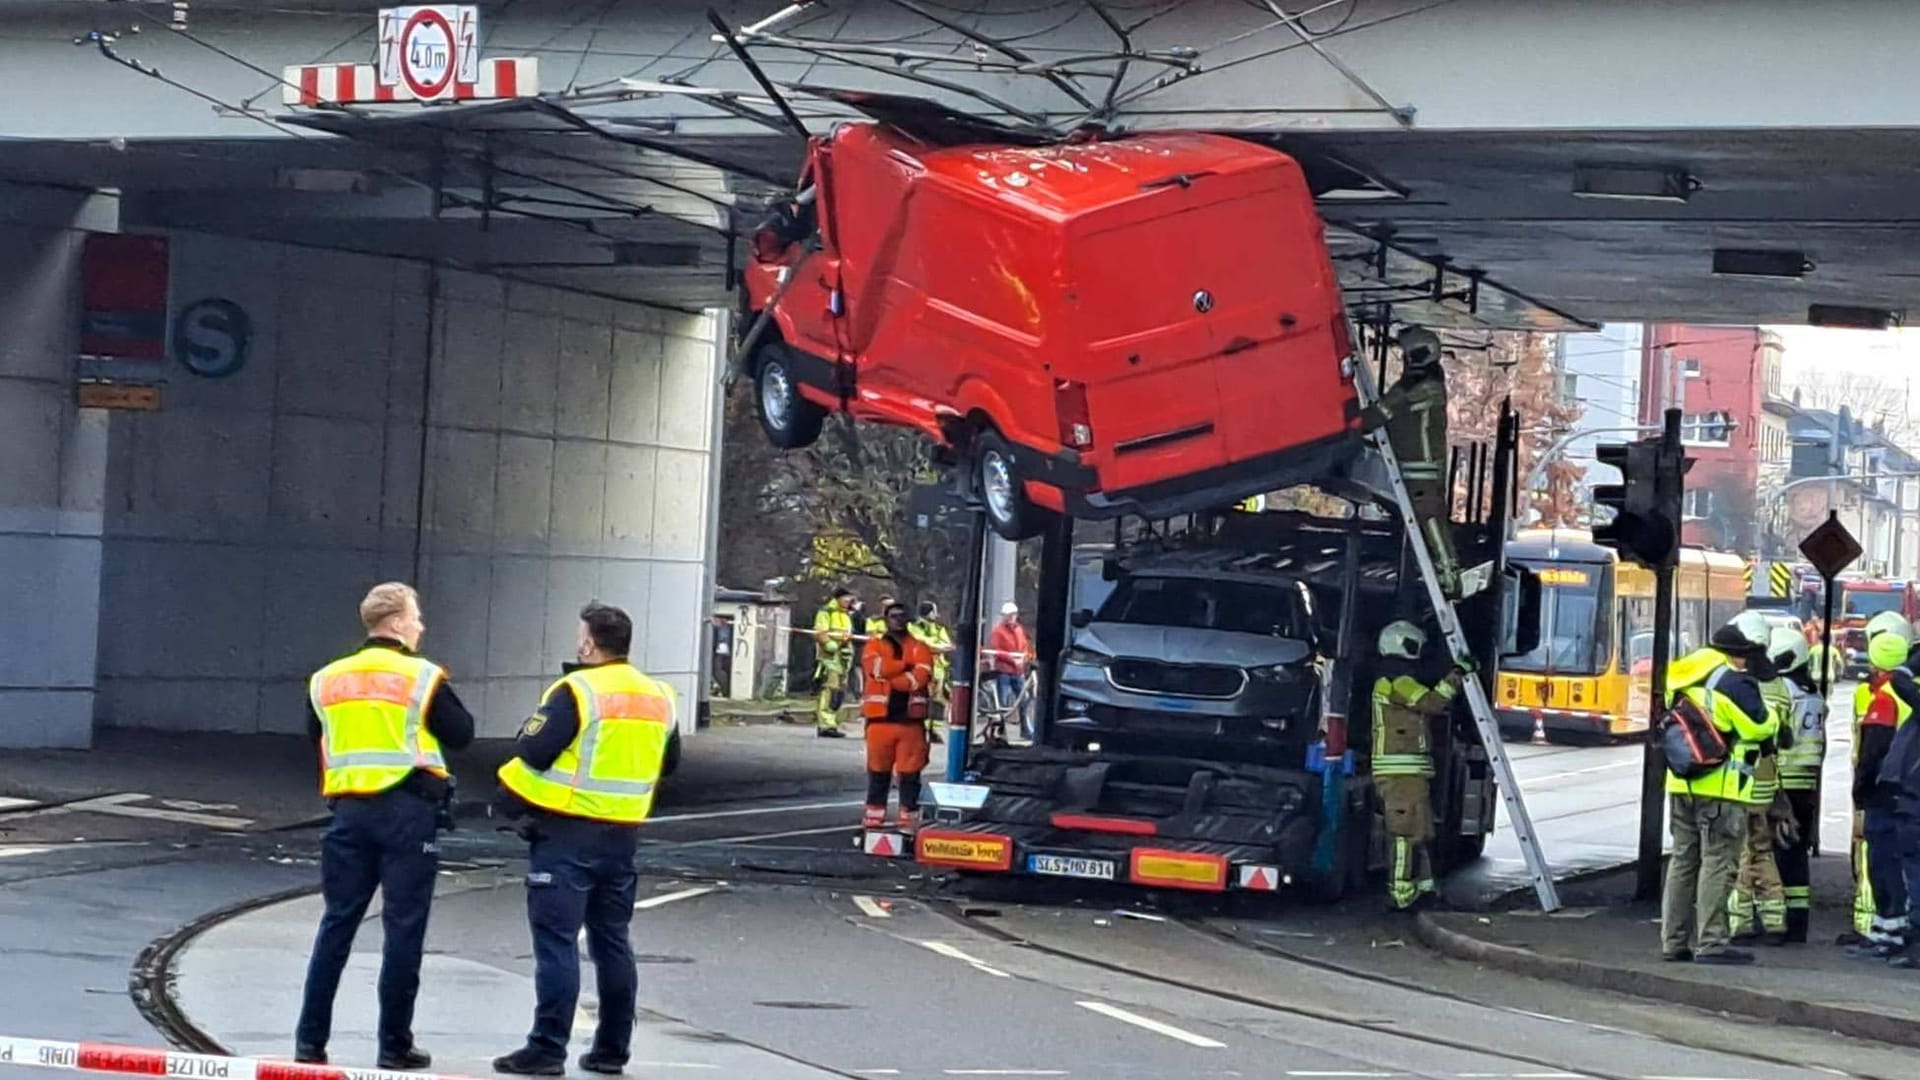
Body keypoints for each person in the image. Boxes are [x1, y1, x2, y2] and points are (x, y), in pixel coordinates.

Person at [492, 604, 677, 1076]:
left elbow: (532, 750)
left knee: (556, 942)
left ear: (589, 644)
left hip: (567, 834)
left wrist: (510, 801)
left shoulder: (577, 690)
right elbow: (669, 762)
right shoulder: (659, 696)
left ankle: (547, 1048)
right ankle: (612, 1050)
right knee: (612, 941)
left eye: (581, 636)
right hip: (623, 837)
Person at [296, 582, 474, 1070]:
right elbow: (462, 733)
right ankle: (394, 1046)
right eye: (416, 617)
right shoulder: (420, 676)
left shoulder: (327, 679)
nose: (421, 626)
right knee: (403, 930)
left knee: (336, 924)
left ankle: (309, 1043)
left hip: (349, 813)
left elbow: (318, 735)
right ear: (395, 623)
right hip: (407, 812)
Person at [1661, 611, 1776, 965]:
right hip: (1723, 789)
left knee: (1682, 861)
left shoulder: (1681, 675)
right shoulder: (1733, 682)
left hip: (1682, 782)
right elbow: (1760, 728)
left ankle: (1673, 941)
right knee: (1717, 863)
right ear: (1740, 653)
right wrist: (1772, 714)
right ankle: (1711, 942)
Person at [1371, 619, 1465, 913]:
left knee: (1419, 832)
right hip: (1399, 772)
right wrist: (1456, 675)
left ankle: (1425, 888)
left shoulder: (1396, 679)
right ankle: (1401, 895)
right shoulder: (1396, 681)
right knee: (1403, 834)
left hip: (1410, 771)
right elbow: (1433, 703)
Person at [1359, 327, 1459, 597]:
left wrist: (1349, 422)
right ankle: (1444, 574)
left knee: (1430, 523)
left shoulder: (1419, 387)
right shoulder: (1428, 383)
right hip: (1420, 470)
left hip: (1420, 474)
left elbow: (1376, 416)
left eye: (1406, 354)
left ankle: (1449, 578)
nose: (1404, 359)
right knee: (1427, 523)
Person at [1843, 613, 1913, 945]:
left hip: (1885, 791)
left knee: (1883, 861)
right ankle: (1894, 930)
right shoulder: (1911, 693)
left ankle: (1891, 931)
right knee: (1902, 861)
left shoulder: (1884, 697)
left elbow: (1872, 752)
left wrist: (1860, 792)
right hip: (1908, 790)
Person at [1730, 629, 1798, 946]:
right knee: (1762, 853)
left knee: (1743, 856)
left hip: (1744, 783)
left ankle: (1740, 923)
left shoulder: (1747, 689)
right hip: (1769, 780)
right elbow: (1786, 737)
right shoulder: (1780, 688)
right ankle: (1775, 921)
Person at [860, 602, 935, 831]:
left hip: (910, 724)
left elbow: (921, 677)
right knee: (878, 771)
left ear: (909, 619)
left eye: (902, 616)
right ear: (885, 619)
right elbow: (876, 668)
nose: (898, 620)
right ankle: (874, 816)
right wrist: (905, 666)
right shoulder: (874, 645)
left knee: (910, 773)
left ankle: (908, 818)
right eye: (893, 616)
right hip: (879, 722)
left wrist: (894, 677)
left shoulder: (920, 647)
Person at [1773, 629, 1827, 944]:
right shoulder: (1814, 695)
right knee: (1797, 854)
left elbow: (1777, 736)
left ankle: (1781, 923)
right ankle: (1798, 922)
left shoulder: (1784, 692)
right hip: (1807, 784)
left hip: (1783, 783)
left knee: (1779, 854)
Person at [812, 587, 857, 738]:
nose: (848, 601)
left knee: (838, 692)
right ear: (838, 598)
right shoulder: (827, 611)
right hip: (829, 657)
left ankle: (832, 723)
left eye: (849, 599)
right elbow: (820, 631)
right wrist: (827, 643)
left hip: (844, 656)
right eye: (846, 598)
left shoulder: (846, 614)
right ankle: (825, 724)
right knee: (829, 690)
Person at [988, 601, 1035, 741]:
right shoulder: (998, 632)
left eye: (1013, 615)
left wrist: (1024, 658)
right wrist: (1012, 660)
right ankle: (1001, 731)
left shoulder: (1019, 630)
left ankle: (1025, 729)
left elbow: (1024, 646)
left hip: (1017, 671)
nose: (1011, 617)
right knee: (1002, 703)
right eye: (1008, 615)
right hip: (1004, 671)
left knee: (1024, 700)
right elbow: (997, 651)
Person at [910, 600, 954, 745]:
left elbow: (947, 645)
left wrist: (936, 646)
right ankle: (919, 728)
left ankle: (934, 729)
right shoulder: (914, 627)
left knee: (939, 700)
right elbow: (922, 643)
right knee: (920, 698)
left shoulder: (939, 628)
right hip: (921, 668)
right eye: (934, 611)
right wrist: (936, 646)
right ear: (929, 612)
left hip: (939, 669)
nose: (936, 614)